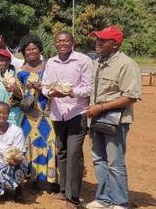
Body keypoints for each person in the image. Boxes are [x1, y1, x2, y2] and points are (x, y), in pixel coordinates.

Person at [84, 26, 142, 209]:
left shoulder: (126, 64)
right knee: (99, 159)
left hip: (115, 121)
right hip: (95, 119)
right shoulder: (98, 62)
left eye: (102, 40)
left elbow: (131, 96)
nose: (97, 43)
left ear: (115, 44)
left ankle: (119, 202)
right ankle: (103, 199)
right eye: (97, 39)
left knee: (115, 162)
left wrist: (100, 107)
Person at [41, 31, 93, 208]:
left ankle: (72, 197)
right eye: (59, 41)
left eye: (66, 40)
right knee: (61, 151)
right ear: (55, 43)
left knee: (73, 153)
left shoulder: (83, 60)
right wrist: (50, 93)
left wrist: (72, 92)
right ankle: (63, 189)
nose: (63, 43)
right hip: (57, 113)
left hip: (77, 112)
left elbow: (88, 87)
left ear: (72, 42)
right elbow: (45, 86)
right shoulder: (51, 62)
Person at [14, 35, 58, 188]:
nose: (31, 52)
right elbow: (20, 95)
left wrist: (42, 89)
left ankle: (49, 180)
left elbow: (56, 87)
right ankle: (32, 178)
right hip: (28, 115)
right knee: (29, 145)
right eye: (27, 49)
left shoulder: (49, 67)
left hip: (46, 112)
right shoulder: (20, 72)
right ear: (24, 52)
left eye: (34, 48)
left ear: (40, 49)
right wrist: (14, 90)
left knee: (48, 142)